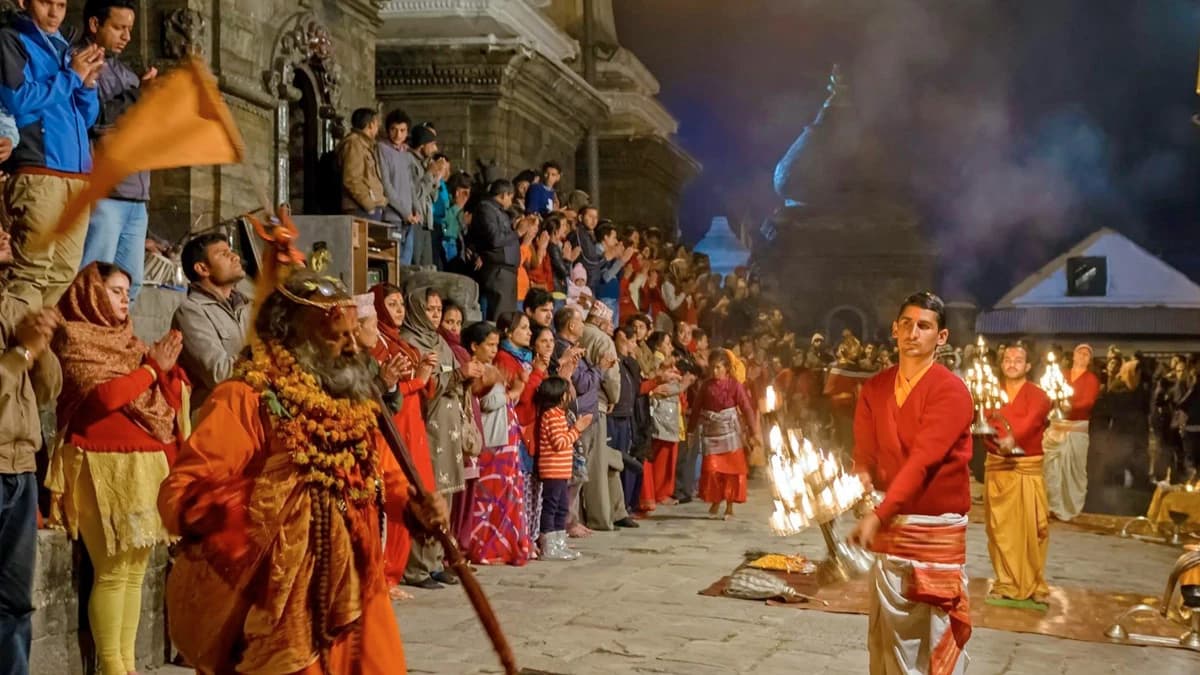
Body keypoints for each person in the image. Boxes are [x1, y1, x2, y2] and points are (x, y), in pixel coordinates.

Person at [157, 270, 449, 674]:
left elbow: (380, 473)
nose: (353, 347)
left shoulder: (354, 399)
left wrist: (414, 507)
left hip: (359, 596)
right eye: (337, 336)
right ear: (296, 338)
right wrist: (266, 511)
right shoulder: (248, 396)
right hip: (282, 605)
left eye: (353, 334)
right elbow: (182, 492)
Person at [47, 262, 188, 675]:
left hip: (144, 464)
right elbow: (105, 398)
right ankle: (112, 666)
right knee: (110, 571)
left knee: (134, 573)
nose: (125, 300)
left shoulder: (129, 341)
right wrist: (152, 369)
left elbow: (155, 394)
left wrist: (167, 373)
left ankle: (127, 665)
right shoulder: (74, 335)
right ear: (91, 293)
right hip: (98, 461)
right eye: (114, 291)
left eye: (127, 292)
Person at [848, 291, 973, 675]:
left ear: (941, 337)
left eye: (924, 326)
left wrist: (878, 514)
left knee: (930, 641)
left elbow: (923, 461)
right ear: (894, 329)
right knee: (887, 641)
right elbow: (864, 455)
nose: (912, 333)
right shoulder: (875, 388)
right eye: (906, 324)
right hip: (890, 527)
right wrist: (861, 484)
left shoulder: (950, 391)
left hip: (932, 530)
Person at [0, 0, 103, 309]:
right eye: (46, 2)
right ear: (24, 1)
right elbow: (16, 99)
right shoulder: (11, 39)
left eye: (61, 4)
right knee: (32, 272)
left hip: (76, 174)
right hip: (38, 169)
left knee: (63, 272)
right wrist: (71, 77)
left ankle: (26, 336)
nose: (55, 12)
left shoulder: (66, 48)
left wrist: (87, 86)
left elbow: (86, 119)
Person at [0, 224, 62, 675]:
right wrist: (23, 351)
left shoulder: (13, 304)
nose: (5, 233)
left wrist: (41, 348)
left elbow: (46, 392)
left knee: (15, 602)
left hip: (21, 468)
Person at [400, 287, 480, 587]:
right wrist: (457, 376)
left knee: (445, 495)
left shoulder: (440, 342)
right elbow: (423, 389)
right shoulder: (410, 342)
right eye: (429, 309)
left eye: (437, 310)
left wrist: (465, 378)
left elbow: (453, 380)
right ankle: (416, 568)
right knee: (428, 494)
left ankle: (435, 562)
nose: (434, 315)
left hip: (449, 429)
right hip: (427, 428)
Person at [78, 0, 156, 301]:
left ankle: (116, 334)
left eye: (130, 29)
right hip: (106, 194)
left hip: (137, 195)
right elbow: (96, 120)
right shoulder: (82, 61)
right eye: (119, 27)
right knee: (94, 282)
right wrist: (138, 96)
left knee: (130, 287)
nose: (127, 36)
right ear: (94, 24)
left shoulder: (127, 73)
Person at [983, 343, 1052, 604]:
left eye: (1018, 359)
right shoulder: (990, 392)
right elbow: (985, 421)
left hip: (1027, 468)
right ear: (1001, 364)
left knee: (1034, 528)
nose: (1012, 363)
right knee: (1000, 529)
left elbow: (1031, 421)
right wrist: (999, 441)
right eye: (1007, 359)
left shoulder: (1039, 395)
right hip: (998, 467)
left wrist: (1013, 439)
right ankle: (1006, 581)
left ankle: (1033, 582)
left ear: (1028, 366)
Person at [462, 320, 531, 566]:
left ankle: (503, 547)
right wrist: (515, 390)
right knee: (488, 499)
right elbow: (487, 402)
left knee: (506, 497)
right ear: (474, 346)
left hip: (505, 439)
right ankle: (482, 547)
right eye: (489, 345)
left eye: (495, 345)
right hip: (490, 442)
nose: (494, 350)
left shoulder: (490, 368)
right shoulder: (474, 369)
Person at [172, 233, 249, 410]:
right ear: (202, 268)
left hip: (251, 406)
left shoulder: (247, 307)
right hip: (216, 412)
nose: (235, 257)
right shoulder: (191, 312)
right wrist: (260, 351)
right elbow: (219, 374)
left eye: (231, 251)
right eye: (223, 254)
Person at [691, 349, 759, 520]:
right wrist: (690, 430)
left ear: (727, 368)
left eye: (718, 368)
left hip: (730, 434)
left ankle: (729, 505)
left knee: (731, 473)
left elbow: (746, 408)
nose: (715, 371)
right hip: (712, 433)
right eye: (712, 368)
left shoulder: (735, 385)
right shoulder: (706, 386)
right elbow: (697, 408)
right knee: (711, 470)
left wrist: (754, 432)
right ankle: (715, 500)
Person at [533, 376, 592, 560]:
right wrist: (577, 429)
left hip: (561, 470)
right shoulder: (551, 415)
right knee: (551, 507)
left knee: (562, 508)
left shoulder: (559, 415)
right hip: (552, 470)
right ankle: (548, 545)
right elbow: (560, 443)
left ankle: (559, 543)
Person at [1042, 343, 1100, 521]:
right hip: (1056, 427)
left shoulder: (1091, 379)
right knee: (1051, 469)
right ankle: (1050, 505)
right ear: (1073, 356)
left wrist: (1070, 408)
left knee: (1073, 471)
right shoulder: (1061, 375)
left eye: (1086, 354)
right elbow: (1049, 394)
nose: (1082, 356)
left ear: (1090, 360)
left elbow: (1088, 402)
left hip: (1076, 429)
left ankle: (1069, 507)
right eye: (1079, 353)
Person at [468, 179, 520, 320]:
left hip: (507, 270)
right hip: (498, 270)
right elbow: (495, 239)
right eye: (510, 197)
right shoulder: (486, 209)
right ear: (503, 195)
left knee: (508, 317)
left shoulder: (499, 211)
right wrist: (518, 232)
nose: (511, 202)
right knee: (500, 316)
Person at [377, 109, 420, 264]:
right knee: (394, 262)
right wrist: (405, 212)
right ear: (388, 130)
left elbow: (411, 184)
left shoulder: (406, 154)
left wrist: (416, 209)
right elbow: (386, 186)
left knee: (406, 262)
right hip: (392, 216)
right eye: (394, 129)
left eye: (402, 130)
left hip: (409, 219)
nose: (398, 135)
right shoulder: (382, 149)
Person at [336, 107, 386, 219]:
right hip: (360, 209)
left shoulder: (366, 144)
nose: (378, 128)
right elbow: (351, 178)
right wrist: (369, 204)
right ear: (371, 125)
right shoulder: (354, 143)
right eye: (376, 124)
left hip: (369, 208)